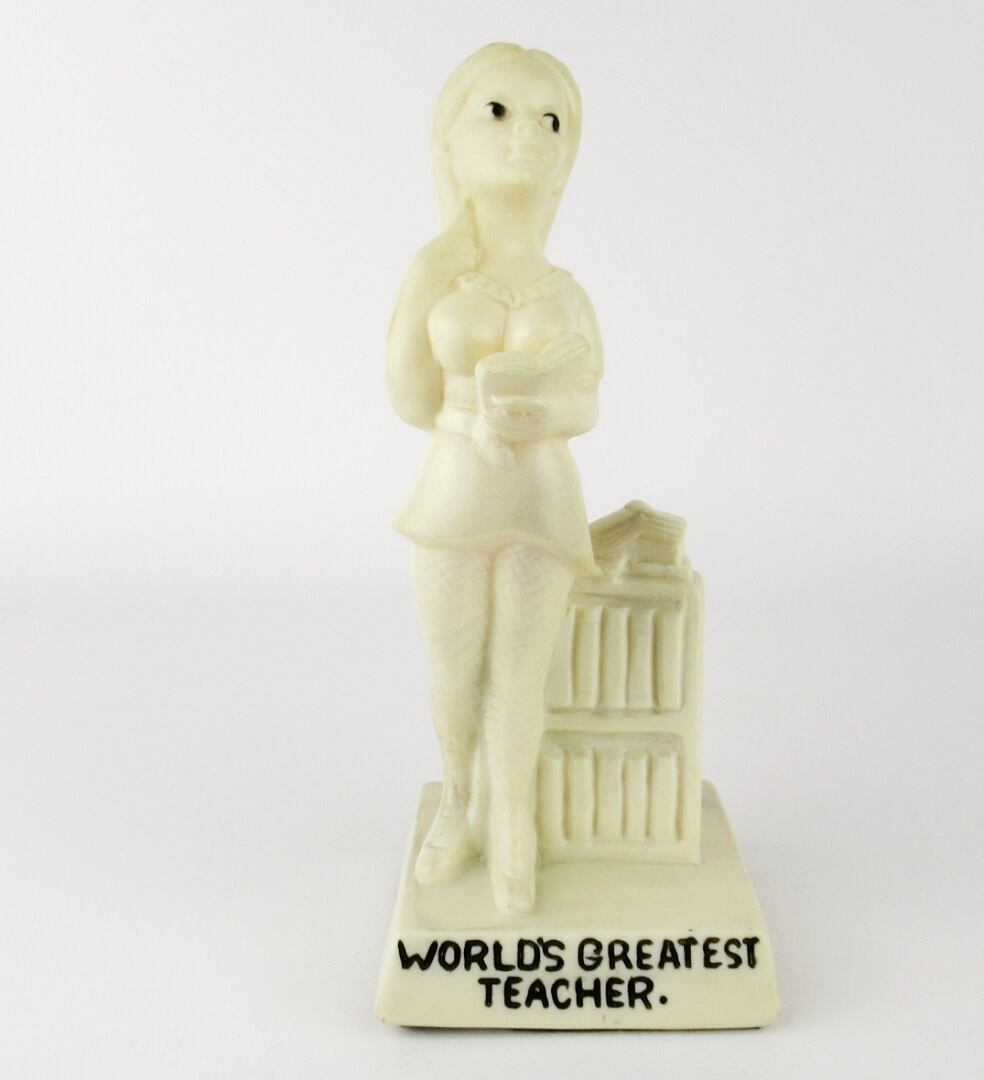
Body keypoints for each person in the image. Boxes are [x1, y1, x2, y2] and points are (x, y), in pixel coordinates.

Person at [386, 43, 602, 913]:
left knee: (521, 671)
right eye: (501, 112)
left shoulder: (565, 289)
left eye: (551, 121)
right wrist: (419, 299)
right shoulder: (438, 270)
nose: (528, 136)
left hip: (540, 493)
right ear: (451, 137)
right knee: (454, 664)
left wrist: (543, 409)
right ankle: (459, 800)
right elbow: (409, 398)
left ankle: (510, 817)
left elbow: (587, 400)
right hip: (455, 488)